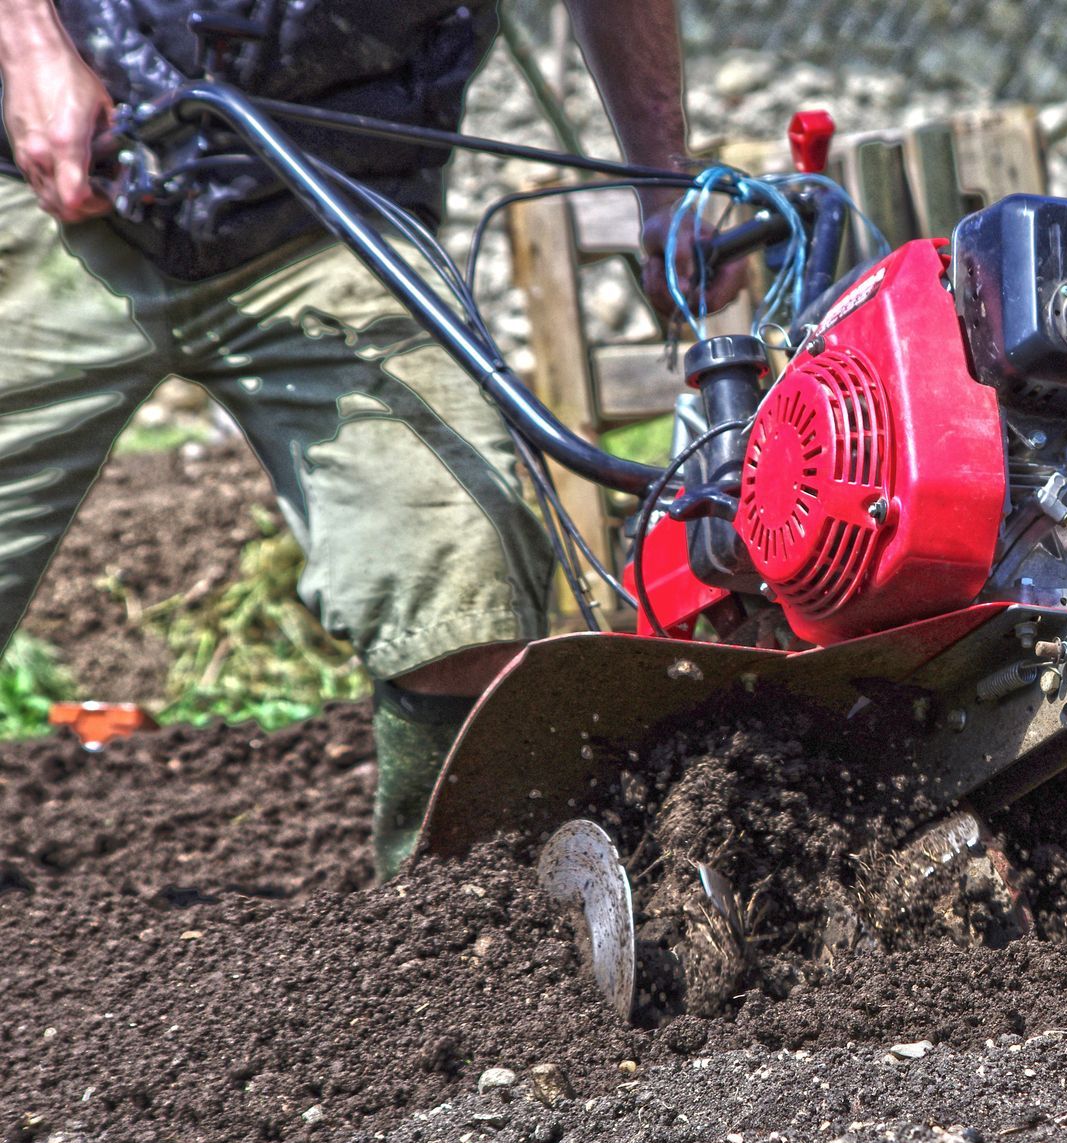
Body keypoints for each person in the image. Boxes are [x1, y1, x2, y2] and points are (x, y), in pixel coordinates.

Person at [0, 0, 739, 879]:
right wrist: (30, 44)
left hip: (335, 210)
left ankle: (456, 938)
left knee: (461, 571)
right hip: (63, 182)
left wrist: (662, 177)